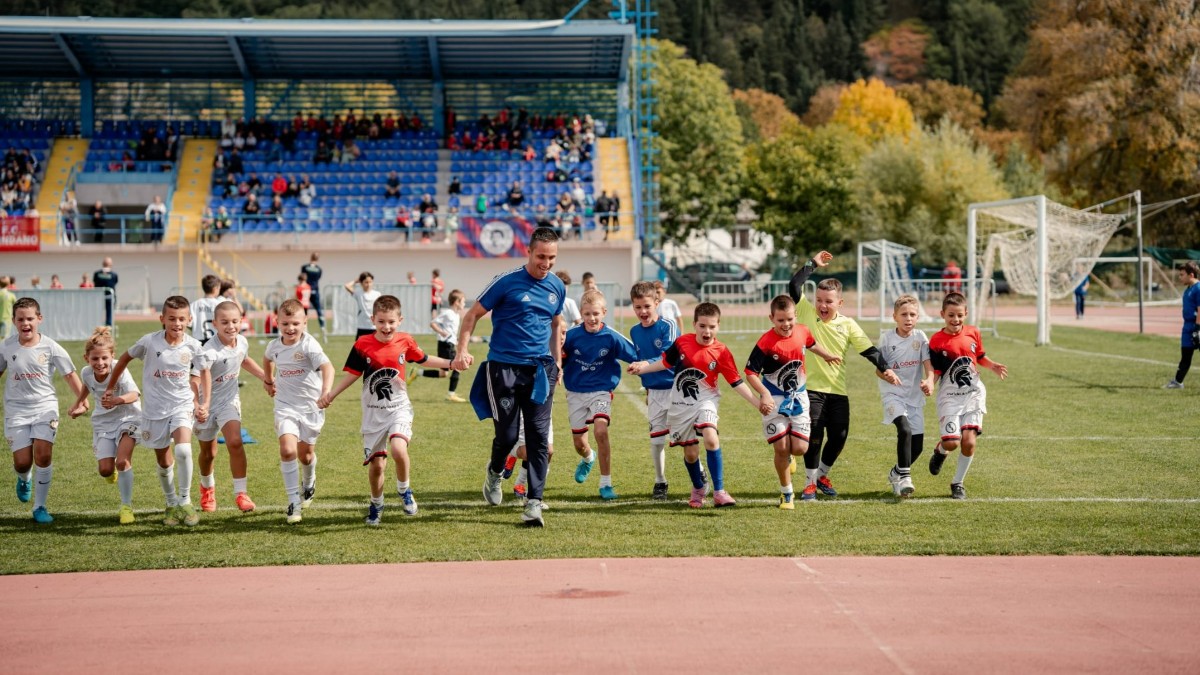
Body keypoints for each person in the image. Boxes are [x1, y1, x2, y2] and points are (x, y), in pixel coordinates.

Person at [453, 226, 566, 527]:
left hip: (541, 371)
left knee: (539, 437)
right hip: (503, 368)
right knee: (506, 436)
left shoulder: (557, 286)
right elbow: (471, 316)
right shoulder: (506, 282)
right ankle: (494, 473)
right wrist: (461, 350)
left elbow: (556, 324)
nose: (546, 263)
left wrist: (556, 361)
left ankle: (534, 504)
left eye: (552, 257)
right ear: (528, 251)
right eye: (541, 256)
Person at [319, 295, 453, 525]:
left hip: (398, 408)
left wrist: (451, 363)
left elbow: (423, 359)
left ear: (400, 320)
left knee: (399, 449)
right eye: (381, 321)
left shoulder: (405, 341)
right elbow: (352, 374)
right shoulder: (362, 344)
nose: (386, 326)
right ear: (373, 319)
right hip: (373, 413)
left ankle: (404, 490)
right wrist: (331, 394)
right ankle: (377, 504)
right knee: (377, 465)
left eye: (391, 321)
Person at [627, 302, 767, 508]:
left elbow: (736, 382)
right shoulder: (682, 343)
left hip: (706, 401)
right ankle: (698, 488)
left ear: (718, 326)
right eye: (702, 326)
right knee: (691, 454)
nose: (707, 331)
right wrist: (643, 368)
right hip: (681, 404)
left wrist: (757, 403)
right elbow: (665, 363)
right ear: (694, 325)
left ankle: (719, 491)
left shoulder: (721, 352)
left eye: (711, 326)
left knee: (711, 438)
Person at [788, 251, 900, 499]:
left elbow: (869, 350)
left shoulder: (848, 324)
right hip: (811, 389)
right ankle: (809, 483)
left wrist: (887, 369)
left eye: (828, 301)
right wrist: (813, 264)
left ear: (840, 303)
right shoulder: (806, 312)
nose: (822, 305)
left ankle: (821, 475)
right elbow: (794, 284)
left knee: (839, 436)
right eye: (819, 300)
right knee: (815, 435)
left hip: (837, 391)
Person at [106, 296, 212, 527]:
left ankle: (185, 501)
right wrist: (111, 387)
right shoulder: (149, 342)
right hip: (154, 410)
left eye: (182, 319)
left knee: (183, 450)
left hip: (182, 405)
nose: (177, 323)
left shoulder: (193, 345)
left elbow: (204, 372)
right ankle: (171, 503)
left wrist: (204, 403)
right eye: (172, 319)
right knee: (164, 461)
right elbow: (123, 359)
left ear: (189, 320)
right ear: (162, 319)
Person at [743, 294, 842, 509]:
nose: (786, 324)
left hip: (799, 396)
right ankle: (786, 493)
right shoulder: (766, 342)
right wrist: (764, 394)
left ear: (795, 316)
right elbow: (750, 372)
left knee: (799, 449)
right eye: (780, 320)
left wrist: (826, 355)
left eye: (789, 319)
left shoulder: (802, 330)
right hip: (774, 400)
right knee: (781, 448)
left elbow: (811, 344)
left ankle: (790, 457)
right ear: (771, 318)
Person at [1, 298, 86, 523]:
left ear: (39, 319)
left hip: (44, 407)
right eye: (21, 319)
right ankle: (24, 478)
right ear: (14, 322)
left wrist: (81, 400)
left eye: (30, 318)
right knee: (22, 462)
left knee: (43, 455)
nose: (26, 323)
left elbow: (69, 374)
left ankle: (40, 507)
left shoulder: (50, 346)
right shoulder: (6, 346)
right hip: (16, 410)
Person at [926, 292, 1008, 499]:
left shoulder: (973, 332)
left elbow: (979, 356)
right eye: (951, 315)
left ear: (966, 314)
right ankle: (940, 451)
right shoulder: (936, 340)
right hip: (950, 397)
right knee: (952, 442)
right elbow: (935, 370)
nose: (956, 320)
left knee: (969, 442)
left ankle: (957, 483)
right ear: (942, 314)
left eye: (960, 315)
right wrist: (929, 383)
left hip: (973, 394)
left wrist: (993, 365)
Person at [194, 301, 271, 514]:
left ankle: (241, 494)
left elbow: (243, 360)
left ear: (241, 321)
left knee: (235, 441)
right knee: (208, 453)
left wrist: (266, 378)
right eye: (225, 322)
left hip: (229, 401)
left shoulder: (242, 342)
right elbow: (196, 379)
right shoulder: (208, 351)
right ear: (215, 324)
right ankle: (207, 488)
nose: (231, 326)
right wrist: (200, 404)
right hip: (206, 405)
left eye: (235, 321)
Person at [563, 289, 639, 500]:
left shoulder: (612, 337)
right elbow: (555, 354)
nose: (592, 318)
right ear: (581, 313)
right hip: (575, 392)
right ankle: (588, 458)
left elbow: (636, 355)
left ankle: (606, 483)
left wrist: (642, 368)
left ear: (604, 312)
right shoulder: (571, 336)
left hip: (601, 391)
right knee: (579, 443)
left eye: (596, 313)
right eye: (587, 314)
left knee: (600, 431)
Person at [263, 299, 334, 524]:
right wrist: (268, 380)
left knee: (306, 455)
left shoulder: (309, 345)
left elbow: (328, 367)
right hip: (285, 406)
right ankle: (293, 501)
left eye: (295, 323)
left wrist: (326, 392)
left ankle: (309, 482)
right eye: (285, 324)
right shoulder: (274, 346)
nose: (290, 328)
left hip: (311, 407)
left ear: (305, 322)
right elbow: (267, 360)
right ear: (277, 322)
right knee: (287, 450)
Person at [67, 327, 143, 523]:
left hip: (128, 418)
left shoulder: (120, 371)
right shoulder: (86, 372)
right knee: (105, 470)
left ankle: (126, 507)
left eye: (104, 359)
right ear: (87, 359)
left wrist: (117, 400)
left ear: (112, 357)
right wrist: (78, 403)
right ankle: (111, 472)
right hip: (104, 422)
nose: (100, 363)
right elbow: (87, 385)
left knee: (122, 461)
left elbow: (135, 394)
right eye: (95, 359)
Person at [875, 295, 935, 498]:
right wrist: (887, 374)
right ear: (894, 317)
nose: (908, 318)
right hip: (893, 395)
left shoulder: (920, 337)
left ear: (917, 317)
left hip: (914, 396)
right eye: (904, 314)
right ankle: (905, 479)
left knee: (916, 447)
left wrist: (929, 381)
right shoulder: (887, 338)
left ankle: (896, 473)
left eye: (912, 314)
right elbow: (878, 369)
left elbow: (929, 366)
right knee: (904, 429)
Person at [627, 281, 681, 499]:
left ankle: (700, 475)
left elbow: (668, 358)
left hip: (676, 389)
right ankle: (660, 482)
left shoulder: (667, 326)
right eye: (638, 307)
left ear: (657, 303)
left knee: (684, 440)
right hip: (655, 392)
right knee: (657, 440)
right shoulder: (634, 331)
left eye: (647, 306)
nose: (643, 311)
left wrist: (644, 365)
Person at [418, 289, 466, 402]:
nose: (464, 304)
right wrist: (442, 332)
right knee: (458, 366)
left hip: (450, 344)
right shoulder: (447, 313)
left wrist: (457, 341)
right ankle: (451, 394)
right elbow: (432, 323)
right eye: (463, 301)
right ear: (456, 302)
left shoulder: (456, 315)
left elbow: (452, 332)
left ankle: (417, 372)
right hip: (445, 345)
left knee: (443, 373)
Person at [1165, 261, 1200, 389]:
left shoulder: (1198, 288)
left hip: (1197, 325)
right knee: (1185, 354)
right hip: (1187, 327)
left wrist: (1197, 329)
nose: (1179, 277)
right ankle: (1178, 382)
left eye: (1182, 275)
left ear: (1191, 275)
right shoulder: (1188, 289)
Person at [345, 272, 381, 338]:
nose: (368, 284)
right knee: (358, 347)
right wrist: (356, 281)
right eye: (366, 282)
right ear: (361, 283)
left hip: (374, 326)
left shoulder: (377, 294)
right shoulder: (358, 293)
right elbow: (347, 286)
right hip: (362, 326)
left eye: (370, 282)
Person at [189, 274, 223, 342]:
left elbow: (189, 324)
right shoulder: (220, 305)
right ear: (215, 288)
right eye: (219, 288)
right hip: (215, 340)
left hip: (198, 340)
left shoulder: (194, 305)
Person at [301, 253, 325, 333]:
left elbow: (302, 277)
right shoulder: (319, 269)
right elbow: (318, 278)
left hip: (306, 290)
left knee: (304, 310)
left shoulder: (305, 267)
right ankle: (323, 327)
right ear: (318, 259)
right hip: (315, 290)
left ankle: (305, 328)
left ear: (310, 257)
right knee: (318, 310)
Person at [93, 257, 118, 327]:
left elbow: (95, 282)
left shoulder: (97, 274)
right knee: (109, 312)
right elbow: (115, 282)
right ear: (111, 264)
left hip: (98, 296)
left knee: (98, 311)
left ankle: (97, 325)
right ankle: (108, 326)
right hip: (109, 296)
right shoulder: (113, 275)